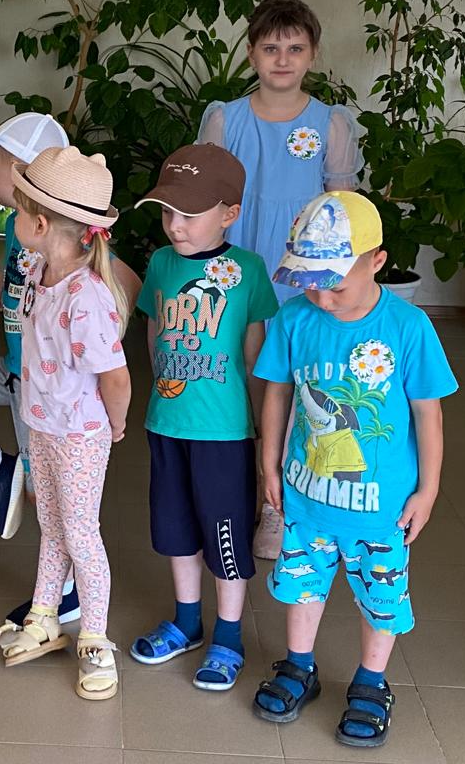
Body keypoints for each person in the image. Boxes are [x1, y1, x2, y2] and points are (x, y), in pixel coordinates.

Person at [250, 191, 456, 749]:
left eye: (335, 285)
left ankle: (371, 680)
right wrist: (268, 460)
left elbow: (428, 414)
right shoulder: (295, 318)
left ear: (377, 261)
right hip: (306, 498)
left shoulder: (409, 328)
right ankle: (299, 666)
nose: (320, 296)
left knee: (381, 599)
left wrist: (428, 490)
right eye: (309, 283)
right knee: (302, 588)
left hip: (381, 510)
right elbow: (278, 391)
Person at [0, 113, 140, 628]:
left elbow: (125, 298)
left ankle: (73, 607)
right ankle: (2, 474)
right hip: (23, 380)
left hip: (57, 398)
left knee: (63, 516)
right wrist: (9, 282)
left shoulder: (80, 270)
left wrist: (108, 399)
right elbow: (28, 280)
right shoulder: (25, 239)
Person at [197, 0, 364, 560]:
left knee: (293, 381)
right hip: (237, 268)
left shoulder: (331, 124)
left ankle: (279, 505)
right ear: (251, 54)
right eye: (271, 48)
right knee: (240, 377)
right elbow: (204, 200)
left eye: (295, 48)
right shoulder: (225, 119)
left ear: (313, 54)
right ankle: (239, 492)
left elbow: (343, 211)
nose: (283, 59)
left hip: (300, 274)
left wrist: (343, 283)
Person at [126, 144, 278, 690]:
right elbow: (152, 335)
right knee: (176, 531)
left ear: (229, 213)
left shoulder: (248, 271)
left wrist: (264, 439)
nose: (175, 225)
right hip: (167, 425)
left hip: (225, 433)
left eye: (189, 214)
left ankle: (229, 635)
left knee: (225, 537)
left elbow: (257, 361)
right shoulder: (161, 264)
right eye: (168, 212)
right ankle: (187, 622)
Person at [0, 147, 131, 701]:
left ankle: (95, 638)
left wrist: (115, 425)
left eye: (19, 210)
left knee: (80, 532)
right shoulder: (36, 270)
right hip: (44, 423)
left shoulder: (85, 297)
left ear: (41, 224)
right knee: (51, 524)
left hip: (79, 434)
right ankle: (44, 616)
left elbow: (115, 378)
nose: (15, 217)